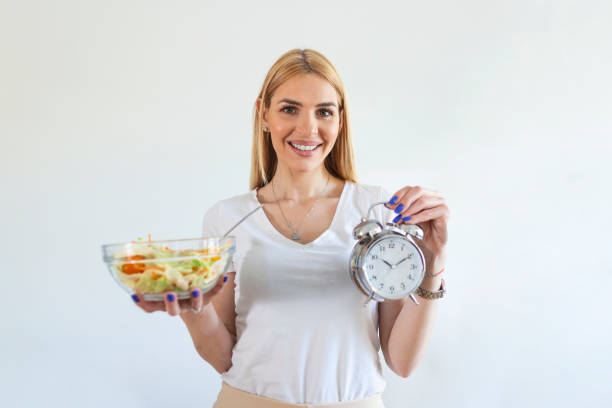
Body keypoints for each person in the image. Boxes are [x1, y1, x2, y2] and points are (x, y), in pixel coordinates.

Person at [131, 49, 450, 408]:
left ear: (340, 121)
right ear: (263, 114)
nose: (308, 128)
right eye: (289, 109)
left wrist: (433, 263)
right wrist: (193, 308)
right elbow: (223, 358)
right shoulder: (227, 217)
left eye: (324, 112)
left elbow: (402, 362)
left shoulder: (377, 210)